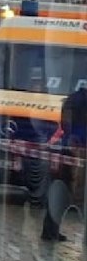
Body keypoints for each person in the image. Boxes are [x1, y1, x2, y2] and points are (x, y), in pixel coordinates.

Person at [38, 84, 87, 242]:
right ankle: (50, 231)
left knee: (60, 189)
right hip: (76, 149)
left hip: (67, 148)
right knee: (65, 189)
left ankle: (50, 230)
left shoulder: (73, 98)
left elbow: (66, 122)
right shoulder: (81, 101)